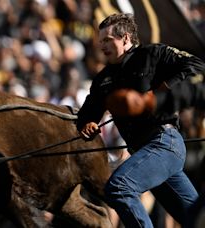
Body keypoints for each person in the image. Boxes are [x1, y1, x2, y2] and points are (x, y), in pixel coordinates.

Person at [76, 13, 205, 228]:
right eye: (100, 42)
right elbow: (88, 112)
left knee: (119, 187)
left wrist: (160, 93)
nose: (102, 46)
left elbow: (197, 66)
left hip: (165, 142)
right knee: (196, 220)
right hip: (145, 152)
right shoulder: (102, 79)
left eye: (108, 40)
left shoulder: (152, 54)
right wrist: (87, 123)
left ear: (125, 38)